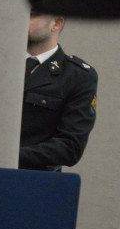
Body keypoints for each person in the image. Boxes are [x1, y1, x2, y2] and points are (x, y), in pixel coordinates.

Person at [20, 11, 97, 171]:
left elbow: (70, 147)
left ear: (56, 23)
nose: (23, 20)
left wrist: (10, 155)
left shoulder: (76, 76)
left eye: (33, 15)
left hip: (34, 180)